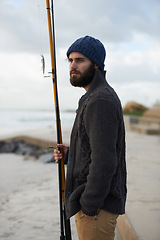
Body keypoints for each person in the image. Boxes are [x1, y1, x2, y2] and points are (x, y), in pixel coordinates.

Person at [54, 36, 127, 240]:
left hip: (96, 208)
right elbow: (96, 149)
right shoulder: (91, 97)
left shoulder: (100, 100)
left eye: (80, 60)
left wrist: (89, 203)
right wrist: (71, 154)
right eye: (70, 60)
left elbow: (105, 161)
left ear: (96, 64)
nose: (73, 66)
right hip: (94, 205)